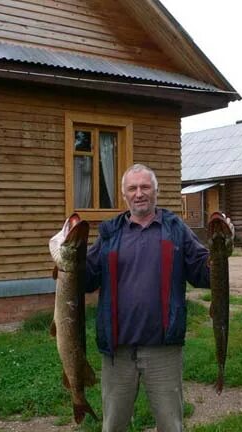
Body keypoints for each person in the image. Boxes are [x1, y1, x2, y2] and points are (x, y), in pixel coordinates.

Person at [50, 163, 232, 432]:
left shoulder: (175, 229)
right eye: (132, 188)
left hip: (164, 351)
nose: (139, 193)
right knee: (113, 426)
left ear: (156, 191)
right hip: (118, 353)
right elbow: (86, 280)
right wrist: (62, 259)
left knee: (171, 425)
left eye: (145, 187)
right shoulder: (110, 232)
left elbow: (204, 273)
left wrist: (222, 249)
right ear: (124, 195)